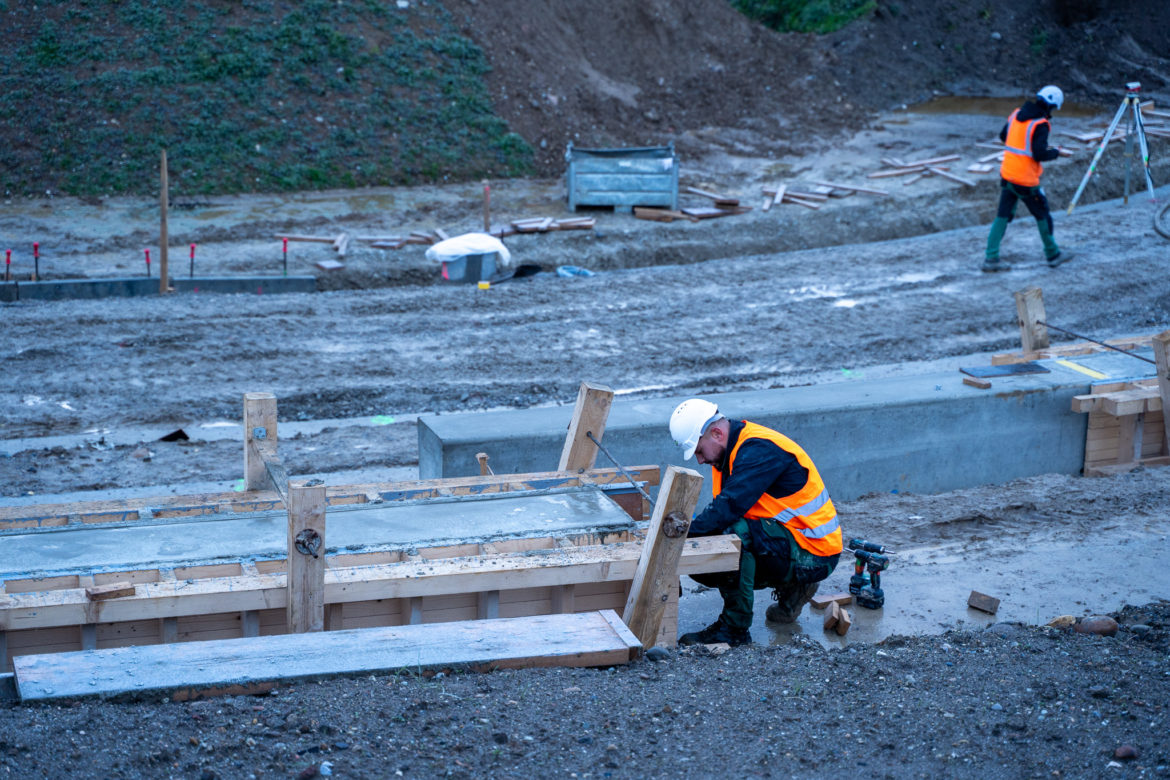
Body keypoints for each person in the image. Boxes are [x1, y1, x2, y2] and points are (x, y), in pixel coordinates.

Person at [669, 399, 842, 646]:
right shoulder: (726, 454)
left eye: (698, 451)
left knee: (735, 536)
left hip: (816, 553)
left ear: (716, 433)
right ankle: (795, 587)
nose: (699, 460)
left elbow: (728, 510)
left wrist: (680, 534)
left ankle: (734, 630)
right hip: (793, 541)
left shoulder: (758, 450)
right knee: (711, 557)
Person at [983, 84, 1074, 272]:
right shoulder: (1040, 124)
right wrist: (1057, 153)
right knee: (1042, 215)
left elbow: (1003, 136)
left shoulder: (1017, 113)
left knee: (1001, 217)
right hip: (1026, 180)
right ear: (1051, 106)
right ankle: (1053, 254)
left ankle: (991, 259)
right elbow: (1039, 153)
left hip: (1008, 175)